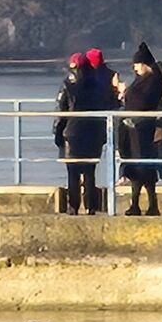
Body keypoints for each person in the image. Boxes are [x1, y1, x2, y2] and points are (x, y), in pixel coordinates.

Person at [53, 52, 117, 214]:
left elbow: (61, 112)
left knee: (72, 172)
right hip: (94, 131)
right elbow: (106, 106)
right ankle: (91, 206)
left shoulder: (67, 84)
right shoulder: (98, 85)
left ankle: (73, 206)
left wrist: (57, 133)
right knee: (90, 171)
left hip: (72, 132)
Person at [119, 42, 162, 216]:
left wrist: (125, 91)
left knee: (142, 165)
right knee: (137, 165)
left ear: (145, 64)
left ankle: (148, 204)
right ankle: (139, 203)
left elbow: (142, 101)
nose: (135, 68)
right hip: (135, 128)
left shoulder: (153, 80)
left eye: (137, 65)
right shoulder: (143, 79)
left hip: (142, 128)